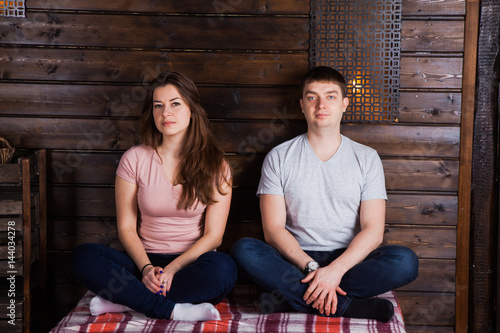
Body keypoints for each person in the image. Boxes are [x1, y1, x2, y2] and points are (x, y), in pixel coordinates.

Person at [230, 66, 418, 322]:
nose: (321, 104)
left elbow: (373, 231)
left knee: (405, 261)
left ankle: (290, 299)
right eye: (312, 97)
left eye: (330, 96)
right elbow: (273, 231)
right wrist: (314, 269)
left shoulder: (366, 158)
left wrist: (335, 271)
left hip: (349, 260)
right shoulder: (279, 157)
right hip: (296, 261)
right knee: (245, 250)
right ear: (302, 104)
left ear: (344, 104)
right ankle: (347, 306)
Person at [71, 71, 237, 321]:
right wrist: (147, 269)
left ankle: (128, 301)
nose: (165, 113)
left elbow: (214, 236)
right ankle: (171, 309)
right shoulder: (134, 158)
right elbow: (126, 227)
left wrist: (172, 269)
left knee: (224, 270)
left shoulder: (217, 165)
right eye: (157, 106)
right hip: (141, 263)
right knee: (84, 256)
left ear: (192, 110)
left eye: (175, 104)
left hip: (188, 266)